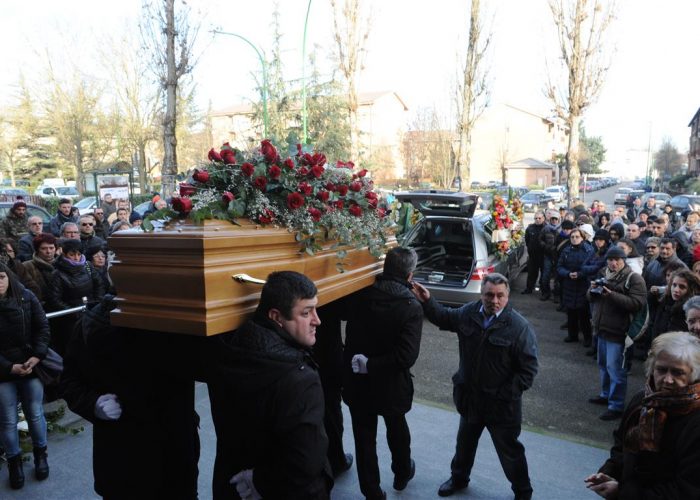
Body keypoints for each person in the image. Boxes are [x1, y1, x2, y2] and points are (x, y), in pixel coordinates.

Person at [60, 295, 201, 499]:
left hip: (174, 447)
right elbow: (70, 380)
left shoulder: (176, 319)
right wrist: (93, 403)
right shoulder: (91, 324)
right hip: (123, 450)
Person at [207, 271, 332, 499]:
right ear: (276, 317)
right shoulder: (300, 379)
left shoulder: (229, 349)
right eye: (306, 313)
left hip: (233, 484)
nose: (317, 320)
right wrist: (262, 481)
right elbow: (306, 460)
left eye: (315, 309)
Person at [412, 274, 538, 499]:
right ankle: (459, 479)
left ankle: (523, 491)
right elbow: (444, 317)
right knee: (464, 445)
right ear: (481, 294)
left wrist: (502, 394)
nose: (494, 300)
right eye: (489, 295)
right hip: (471, 400)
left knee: (510, 452)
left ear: (507, 296)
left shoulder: (519, 328)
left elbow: (527, 371)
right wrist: (427, 300)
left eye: (500, 296)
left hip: (502, 407)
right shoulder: (469, 313)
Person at [343, 247, 423, 499]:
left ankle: (372, 491)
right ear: (410, 275)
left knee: (364, 437)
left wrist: (364, 365)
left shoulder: (361, 295)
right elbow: (406, 356)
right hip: (390, 384)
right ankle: (401, 473)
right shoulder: (410, 306)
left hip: (358, 380)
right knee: (396, 429)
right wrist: (374, 365)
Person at [585, 332, 700, 498]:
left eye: (677, 372)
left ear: (693, 375)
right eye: (661, 370)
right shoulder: (643, 399)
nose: (667, 379)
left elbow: (688, 490)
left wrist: (622, 493)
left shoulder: (695, 420)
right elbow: (621, 443)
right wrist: (611, 472)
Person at [0, 262, 50, 489]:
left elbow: (42, 327)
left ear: (8, 276)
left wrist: (37, 357)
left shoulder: (26, 296)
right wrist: (9, 367)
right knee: (8, 420)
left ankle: (41, 455)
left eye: (1, 277)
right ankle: (14, 463)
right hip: (4, 372)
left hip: (30, 365)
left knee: (35, 413)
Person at [587, 246, 647, 420]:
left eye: (617, 260)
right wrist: (592, 290)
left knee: (616, 370)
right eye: (610, 260)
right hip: (601, 329)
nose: (613, 263)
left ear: (623, 261)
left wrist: (611, 294)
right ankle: (605, 395)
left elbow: (637, 304)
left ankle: (616, 406)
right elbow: (590, 298)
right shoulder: (603, 273)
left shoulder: (634, 278)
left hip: (619, 332)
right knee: (603, 366)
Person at [46, 238, 105, 355]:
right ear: (64, 254)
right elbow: (54, 299)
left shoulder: (87, 266)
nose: (76, 258)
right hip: (71, 318)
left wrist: (96, 303)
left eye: (79, 254)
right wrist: (73, 311)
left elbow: (99, 284)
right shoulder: (57, 274)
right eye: (72, 255)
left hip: (91, 311)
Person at [557, 228, 595, 346]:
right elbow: (559, 266)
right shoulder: (566, 250)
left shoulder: (589, 250)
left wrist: (579, 274)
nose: (574, 239)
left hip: (583, 284)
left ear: (582, 238)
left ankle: (587, 338)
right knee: (571, 312)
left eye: (577, 237)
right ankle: (572, 335)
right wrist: (568, 274)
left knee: (583, 314)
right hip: (569, 284)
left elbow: (591, 268)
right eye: (572, 237)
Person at [651, 269, 700, 340]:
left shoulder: (690, 311)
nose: (676, 290)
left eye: (682, 287)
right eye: (674, 285)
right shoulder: (665, 302)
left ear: (690, 289)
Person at [22, 233, 57, 305]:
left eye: (51, 248)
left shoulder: (63, 263)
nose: (48, 252)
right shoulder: (26, 266)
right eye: (43, 248)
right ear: (37, 250)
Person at [522, 211, 546, 296]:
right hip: (533, 255)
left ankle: (544, 291)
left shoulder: (547, 228)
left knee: (544, 274)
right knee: (531, 273)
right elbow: (527, 240)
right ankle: (529, 288)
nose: (538, 220)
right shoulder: (530, 228)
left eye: (539, 218)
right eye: (536, 218)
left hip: (543, 255)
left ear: (543, 218)